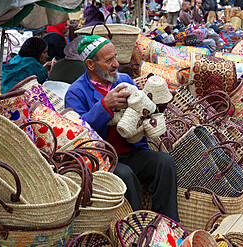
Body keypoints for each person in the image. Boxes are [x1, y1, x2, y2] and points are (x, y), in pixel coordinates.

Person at [64, 35, 179, 222]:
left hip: (133, 151)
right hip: (103, 159)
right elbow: (76, 129)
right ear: (91, 64)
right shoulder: (77, 92)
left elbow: (143, 110)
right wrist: (104, 106)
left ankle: (167, 222)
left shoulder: (123, 80)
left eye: (115, 57)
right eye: (109, 60)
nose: (116, 64)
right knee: (125, 175)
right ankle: (135, 226)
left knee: (164, 162)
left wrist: (161, 102)